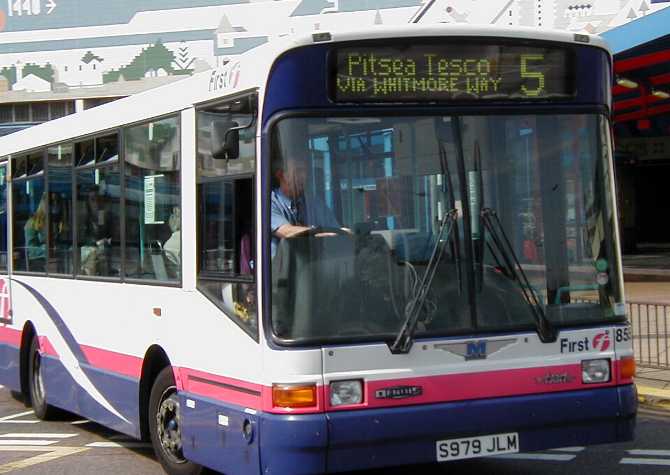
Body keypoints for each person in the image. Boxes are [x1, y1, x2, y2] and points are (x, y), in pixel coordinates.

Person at [270, 157, 343, 256]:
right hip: (279, 269)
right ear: (280, 174)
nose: (302, 176)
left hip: (313, 266)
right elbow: (286, 232)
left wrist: (341, 232)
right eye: (297, 171)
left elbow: (335, 231)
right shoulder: (269, 202)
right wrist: (317, 232)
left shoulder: (315, 203)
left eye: (304, 171)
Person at [79, 186, 113, 275]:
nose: (96, 203)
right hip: (89, 252)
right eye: (93, 200)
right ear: (88, 202)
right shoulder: (85, 217)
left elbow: (109, 234)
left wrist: (106, 240)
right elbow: (81, 236)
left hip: (102, 252)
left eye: (98, 199)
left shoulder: (105, 215)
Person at [24, 194, 47, 271]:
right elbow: (30, 248)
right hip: (36, 260)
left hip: (50, 259)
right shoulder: (32, 222)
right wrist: (46, 250)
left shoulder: (49, 221)